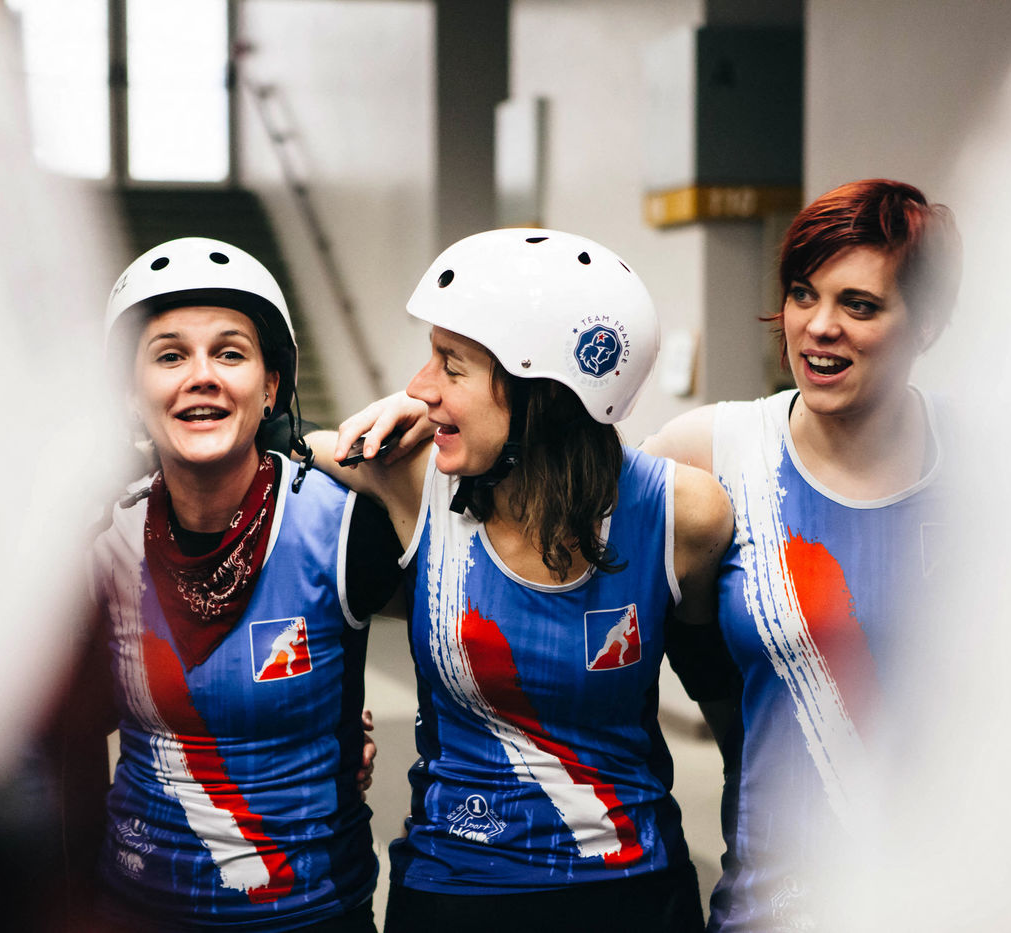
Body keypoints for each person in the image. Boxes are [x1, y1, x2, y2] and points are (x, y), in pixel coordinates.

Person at [305, 228, 735, 933]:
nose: (418, 386)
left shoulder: (682, 515)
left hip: (632, 890)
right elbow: (282, 446)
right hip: (454, 886)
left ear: (544, 396)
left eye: (452, 365)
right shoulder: (415, 482)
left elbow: (738, 731)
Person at [50, 237, 402, 931]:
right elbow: (71, 745)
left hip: (312, 913)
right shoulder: (99, 539)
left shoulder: (344, 523)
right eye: (170, 355)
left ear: (271, 387)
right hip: (137, 909)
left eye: (230, 353)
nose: (202, 376)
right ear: (130, 395)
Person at [642, 179, 963, 931]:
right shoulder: (713, 451)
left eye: (860, 305)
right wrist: (428, 421)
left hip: (956, 891)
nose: (819, 327)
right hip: (778, 904)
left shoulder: (981, 459)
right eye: (801, 294)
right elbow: (549, 511)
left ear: (925, 324)